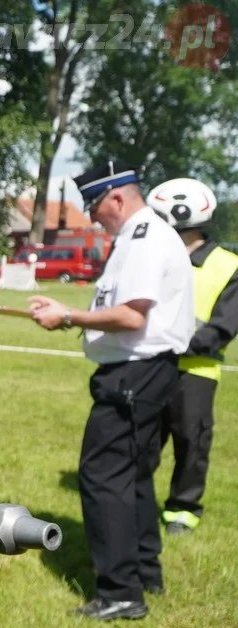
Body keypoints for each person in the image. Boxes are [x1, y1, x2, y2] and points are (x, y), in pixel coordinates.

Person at [28, 161, 194, 621]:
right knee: (133, 474)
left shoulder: (142, 239)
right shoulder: (147, 236)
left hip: (133, 375)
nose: (94, 217)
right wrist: (73, 315)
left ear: (117, 197)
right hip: (145, 372)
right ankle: (145, 573)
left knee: (103, 476)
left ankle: (120, 591)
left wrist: (67, 317)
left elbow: (131, 316)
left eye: (96, 206)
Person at [147, 177, 238, 535]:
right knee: (143, 440)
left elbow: (224, 326)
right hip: (152, 366)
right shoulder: (153, 257)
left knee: (191, 439)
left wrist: (179, 342)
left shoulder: (227, 264)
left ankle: (182, 509)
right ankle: (134, 501)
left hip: (197, 370)